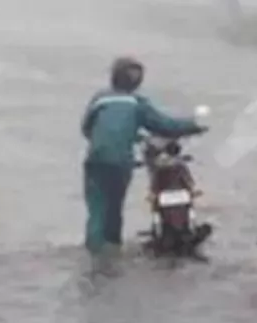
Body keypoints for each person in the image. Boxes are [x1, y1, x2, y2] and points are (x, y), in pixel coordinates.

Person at [81, 57, 207, 255]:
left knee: (97, 209)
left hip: (95, 160)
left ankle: (94, 253)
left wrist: (127, 137)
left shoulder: (99, 99)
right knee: (114, 209)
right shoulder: (136, 103)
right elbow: (164, 125)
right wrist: (194, 126)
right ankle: (112, 250)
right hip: (121, 163)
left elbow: (87, 128)